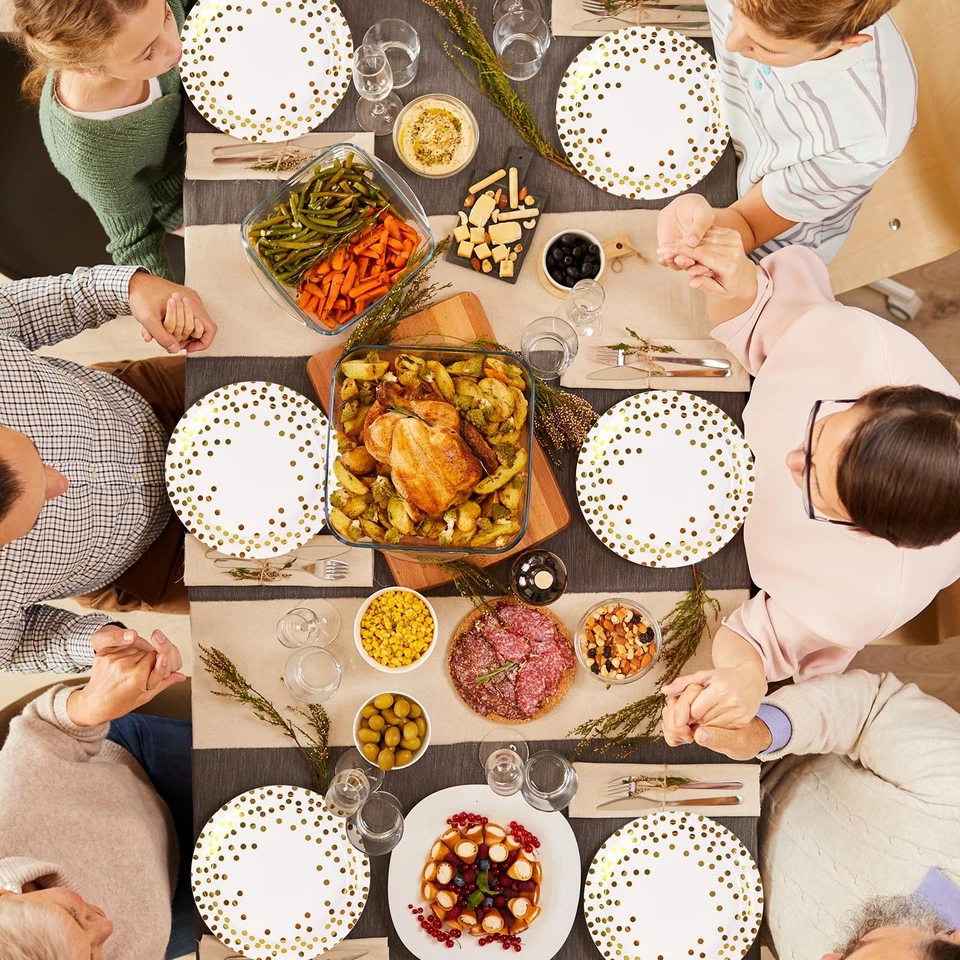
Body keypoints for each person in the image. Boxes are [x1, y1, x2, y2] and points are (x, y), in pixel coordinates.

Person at [653, 228, 960, 731]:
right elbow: (754, 316)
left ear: (867, 534)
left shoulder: (870, 593)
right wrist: (734, 281)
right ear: (872, 397)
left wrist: (746, 678)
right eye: (821, 430)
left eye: (814, 489)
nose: (791, 460)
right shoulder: (860, 346)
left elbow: (759, 639)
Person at [0, 264, 217, 673]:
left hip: (155, 406)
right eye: (31, 520)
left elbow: (26, 308)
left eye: (33, 451)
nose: (60, 482)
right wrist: (88, 643)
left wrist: (131, 287)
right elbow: (13, 647)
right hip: (152, 562)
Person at [662, 670, 960, 960]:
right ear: (953, 938)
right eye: (856, 949)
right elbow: (872, 709)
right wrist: (763, 731)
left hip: (691, 871)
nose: (827, 957)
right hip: (758, 737)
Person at [657, 0, 917, 266]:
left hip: (764, 229)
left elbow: (749, 225)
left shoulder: (868, 135)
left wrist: (696, 233)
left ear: (846, 42)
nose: (731, 43)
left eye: (768, 47)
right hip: (716, 108)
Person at [0, 635, 193, 960]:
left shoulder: (9, 810)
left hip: (140, 773)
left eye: (76, 917)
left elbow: (49, 726)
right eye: (93, 956)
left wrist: (90, 704)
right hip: (171, 903)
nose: (106, 928)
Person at [14, 0, 186, 279]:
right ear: (86, 68)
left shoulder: (147, 17)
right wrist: (168, 302)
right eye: (147, 54)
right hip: (181, 194)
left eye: (166, 15)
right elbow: (136, 241)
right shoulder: (90, 155)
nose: (176, 44)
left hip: (208, 103)